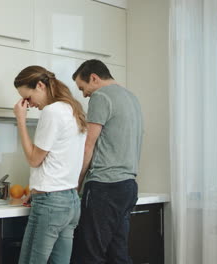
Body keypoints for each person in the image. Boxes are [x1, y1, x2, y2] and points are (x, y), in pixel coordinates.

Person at [70, 59, 143, 264]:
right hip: (128, 186)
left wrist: (76, 185)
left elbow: (88, 145)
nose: (84, 95)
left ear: (94, 77)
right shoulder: (132, 98)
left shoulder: (101, 96)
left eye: (83, 88)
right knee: (117, 254)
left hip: (104, 186)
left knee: (90, 254)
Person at [13, 65, 87, 264]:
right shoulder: (73, 109)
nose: (28, 105)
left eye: (27, 98)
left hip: (51, 204)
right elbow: (59, 160)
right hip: (70, 201)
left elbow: (34, 159)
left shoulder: (52, 111)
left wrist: (20, 120)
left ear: (40, 85)